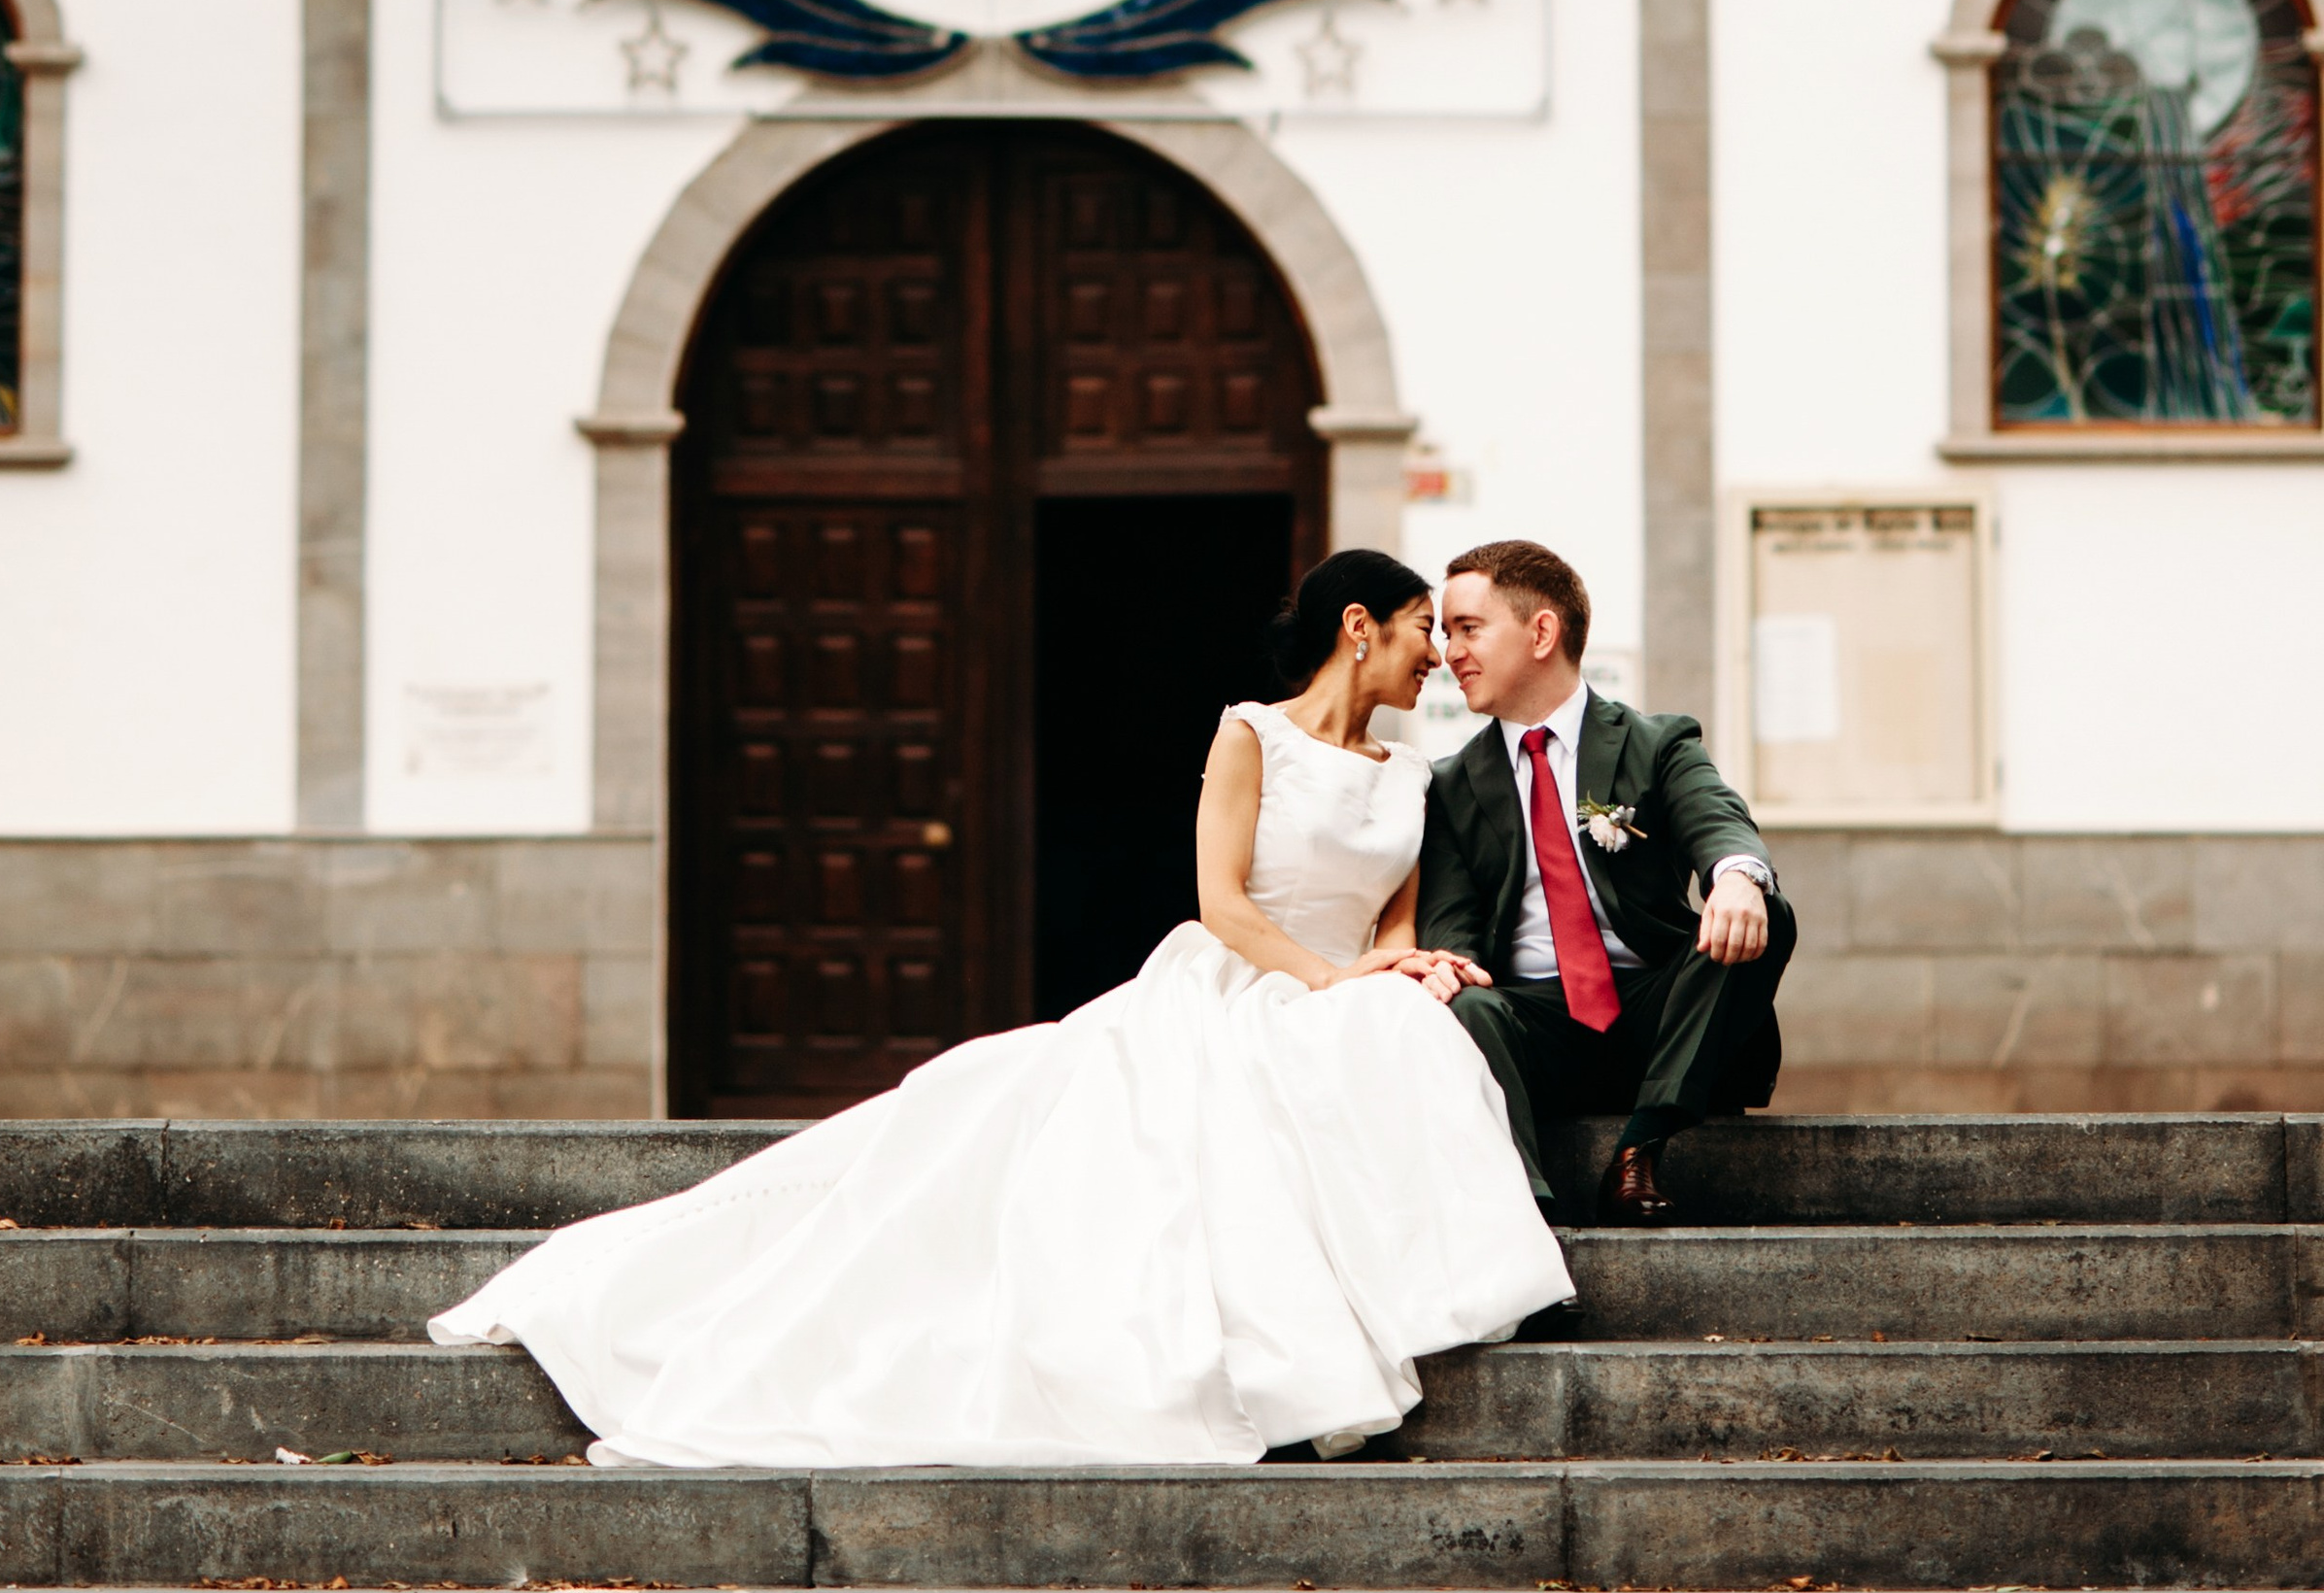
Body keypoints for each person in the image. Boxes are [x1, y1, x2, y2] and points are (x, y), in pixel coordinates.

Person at [427, 548, 1569, 1466]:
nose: (1438, 655)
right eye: (1429, 625)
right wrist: (1327, 980)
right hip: (1242, 976)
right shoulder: (1249, 732)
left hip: (1343, 981)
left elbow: (1395, 916)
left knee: (1402, 1029)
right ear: (1359, 623)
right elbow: (1221, 902)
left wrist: (1397, 965)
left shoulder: (1409, 772)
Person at [1416, 538, 1793, 1226]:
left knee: (1768, 912)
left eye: (1468, 628)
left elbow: (1716, 816)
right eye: (1446, 633)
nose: (1449, 653)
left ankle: (1639, 1148)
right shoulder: (1449, 784)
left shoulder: (1655, 742)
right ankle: (1528, 1209)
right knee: (1468, 1007)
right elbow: (1450, 919)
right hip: (1532, 1030)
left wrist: (1737, 874)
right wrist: (1450, 963)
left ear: (1541, 631)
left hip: (1659, 1015)